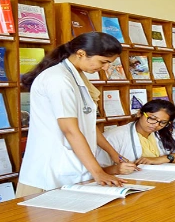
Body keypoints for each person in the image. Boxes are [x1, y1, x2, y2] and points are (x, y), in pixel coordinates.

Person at [16, 32, 136, 198]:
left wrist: (115, 155)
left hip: (73, 170)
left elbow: (87, 125)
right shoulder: (58, 79)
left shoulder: (77, 77)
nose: (106, 68)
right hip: (49, 174)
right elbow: (70, 130)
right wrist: (98, 172)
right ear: (81, 53)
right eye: (104, 62)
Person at [96, 100, 175, 165]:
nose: (156, 125)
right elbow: (99, 170)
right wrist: (117, 170)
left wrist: (161, 159)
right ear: (140, 113)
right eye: (152, 118)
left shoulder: (163, 132)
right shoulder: (115, 136)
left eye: (163, 122)